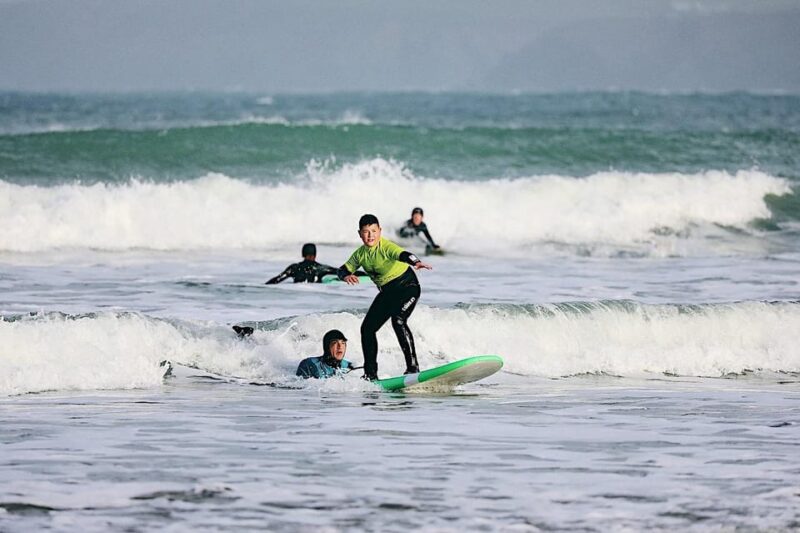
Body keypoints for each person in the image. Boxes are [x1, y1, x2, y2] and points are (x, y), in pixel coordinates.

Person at [338, 214, 432, 380]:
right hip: (387, 293)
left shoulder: (386, 246)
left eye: (374, 231)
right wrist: (345, 276)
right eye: (366, 232)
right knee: (367, 329)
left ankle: (413, 368)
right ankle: (370, 374)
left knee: (398, 320)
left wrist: (416, 262)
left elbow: (404, 254)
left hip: (407, 287)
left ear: (380, 231)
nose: (370, 235)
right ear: (359, 233)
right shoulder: (360, 254)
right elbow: (343, 269)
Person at [266, 243, 338, 284]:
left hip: (298, 294)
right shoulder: (321, 268)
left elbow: (277, 280)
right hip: (315, 294)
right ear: (315, 255)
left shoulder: (294, 268)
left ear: (303, 254)